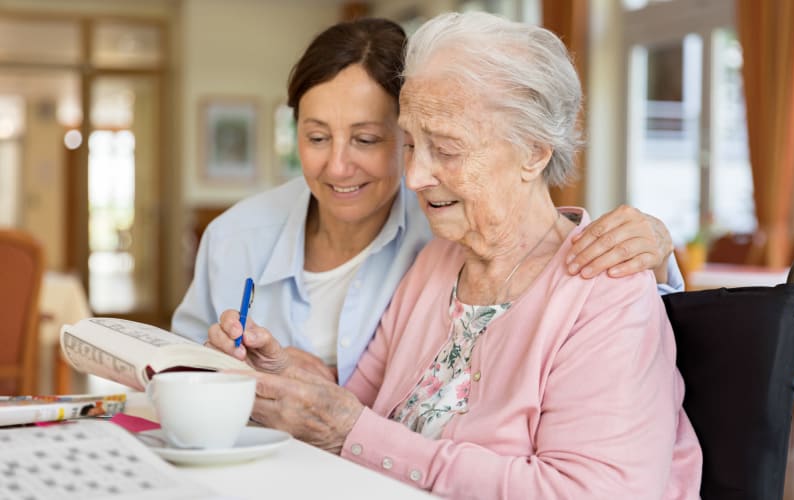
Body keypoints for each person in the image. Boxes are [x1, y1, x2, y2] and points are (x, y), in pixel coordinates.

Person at [209, 12, 702, 498]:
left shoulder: (605, 291)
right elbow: (359, 408)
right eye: (408, 144)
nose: (416, 176)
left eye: (444, 149)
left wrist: (347, 429)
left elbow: (589, 492)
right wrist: (289, 383)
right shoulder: (436, 264)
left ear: (533, 151)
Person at [174, 17, 684, 386]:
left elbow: (613, 332)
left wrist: (658, 259)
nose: (336, 166)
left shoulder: (449, 234)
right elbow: (176, 368)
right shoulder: (235, 237)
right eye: (316, 137)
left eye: (368, 139)